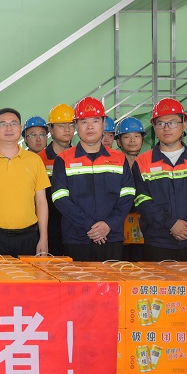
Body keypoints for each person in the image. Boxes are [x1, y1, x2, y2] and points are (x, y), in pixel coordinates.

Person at [132, 98, 187, 265]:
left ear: (183, 125)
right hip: (158, 241)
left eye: (172, 122)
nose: (166, 128)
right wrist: (171, 223)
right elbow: (141, 199)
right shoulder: (143, 162)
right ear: (154, 127)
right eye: (160, 123)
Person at [50, 98, 134, 262]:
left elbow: (128, 195)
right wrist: (90, 227)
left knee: (111, 279)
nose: (89, 127)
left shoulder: (119, 158)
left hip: (111, 237)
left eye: (95, 121)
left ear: (103, 123)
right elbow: (59, 197)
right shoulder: (63, 159)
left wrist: (108, 225)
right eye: (83, 122)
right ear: (76, 125)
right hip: (76, 238)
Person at [0, 108, 50, 256]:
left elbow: (41, 202)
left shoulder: (35, 161)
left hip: (29, 236)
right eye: (3, 124)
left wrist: (43, 238)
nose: (9, 128)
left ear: (20, 128)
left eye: (13, 123)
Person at [37, 103, 76, 256]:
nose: (67, 129)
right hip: (48, 225)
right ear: (51, 129)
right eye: (61, 125)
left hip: (75, 225)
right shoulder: (38, 159)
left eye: (71, 125)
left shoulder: (79, 157)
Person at [115, 116, 147, 261]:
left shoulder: (148, 164)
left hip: (144, 224)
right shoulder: (113, 165)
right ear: (118, 141)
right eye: (127, 137)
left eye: (137, 136)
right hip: (118, 225)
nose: (132, 140)